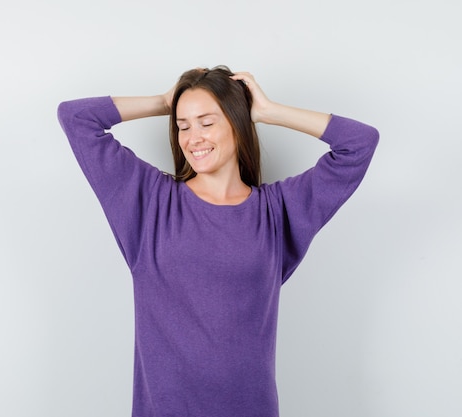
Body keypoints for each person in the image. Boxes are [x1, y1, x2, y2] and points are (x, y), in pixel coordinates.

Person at [57, 66, 379, 417]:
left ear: (237, 125)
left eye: (206, 123)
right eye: (183, 126)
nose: (193, 137)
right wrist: (165, 101)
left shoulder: (277, 211)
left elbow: (359, 143)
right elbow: (75, 117)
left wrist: (268, 112)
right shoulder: (150, 202)